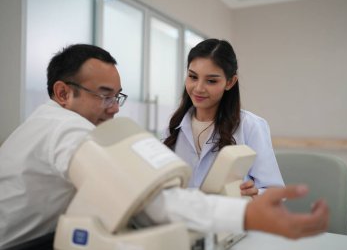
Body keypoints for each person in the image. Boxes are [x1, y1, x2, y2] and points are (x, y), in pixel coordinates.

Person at [0, 44, 328, 249]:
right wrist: (243, 213)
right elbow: (147, 198)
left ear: (229, 83)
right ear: (62, 93)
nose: (115, 107)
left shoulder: (48, 122)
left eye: (117, 96)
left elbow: (147, 193)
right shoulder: (65, 130)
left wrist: (246, 202)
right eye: (104, 95)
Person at [164, 38, 283, 197]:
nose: (198, 88)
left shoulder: (251, 126)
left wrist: (256, 194)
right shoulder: (175, 125)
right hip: (184, 217)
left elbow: (276, 192)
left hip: (230, 218)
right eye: (193, 77)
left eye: (211, 81)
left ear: (230, 82)